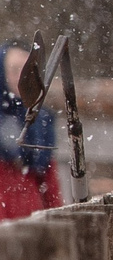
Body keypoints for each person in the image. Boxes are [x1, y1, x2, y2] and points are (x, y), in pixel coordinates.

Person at [0, 41, 61, 220]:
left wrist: (59, 222)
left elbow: (51, 189)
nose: (21, 77)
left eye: (27, 71)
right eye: (14, 69)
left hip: (34, 224)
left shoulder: (40, 122)